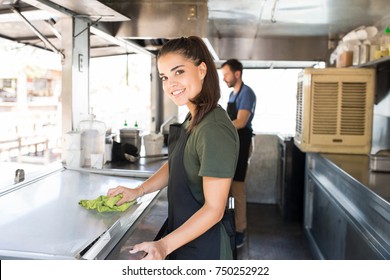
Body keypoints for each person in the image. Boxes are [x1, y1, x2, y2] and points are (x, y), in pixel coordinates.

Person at [107, 36, 239, 260]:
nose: (170, 83)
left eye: (179, 72)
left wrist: (164, 246)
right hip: (185, 240)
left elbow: (214, 210)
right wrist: (138, 192)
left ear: (201, 69)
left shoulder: (214, 129)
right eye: (164, 77)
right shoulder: (194, 118)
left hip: (206, 250)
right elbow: (177, 164)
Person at [221, 59, 256, 248]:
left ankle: (240, 230)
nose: (224, 78)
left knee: (237, 189)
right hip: (233, 145)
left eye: (226, 74)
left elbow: (241, 122)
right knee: (229, 190)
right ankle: (231, 226)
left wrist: (219, 128)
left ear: (237, 74)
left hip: (242, 144)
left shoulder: (247, 93)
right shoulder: (232, 94)